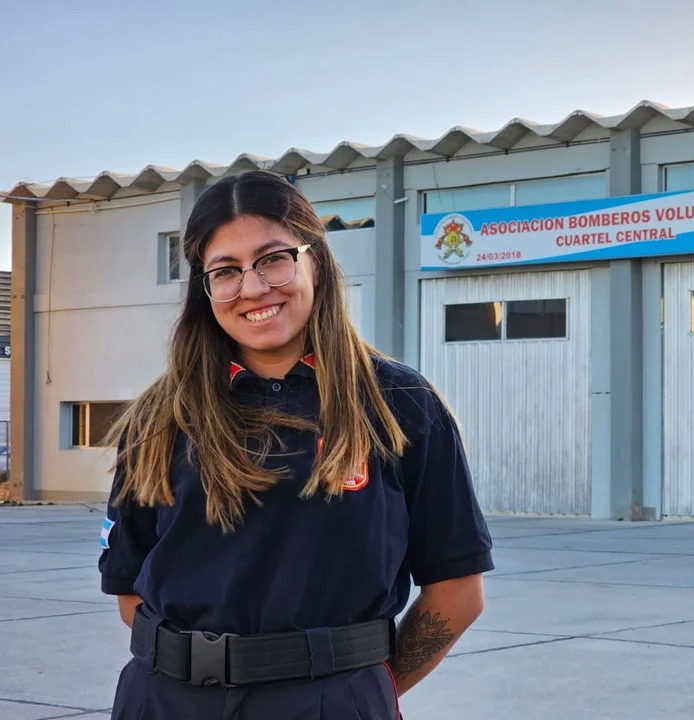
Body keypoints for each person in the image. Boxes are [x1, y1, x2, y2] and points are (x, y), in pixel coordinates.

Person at [97, 169, 494, 719]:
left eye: (273, 259)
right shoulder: (160, 418)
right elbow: (130, 591)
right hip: (164, 701)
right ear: (204, 289)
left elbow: (456, 593)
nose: (253, 288)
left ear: (317, 263)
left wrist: (363, 691)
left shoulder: (399, 404)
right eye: (226, 271)